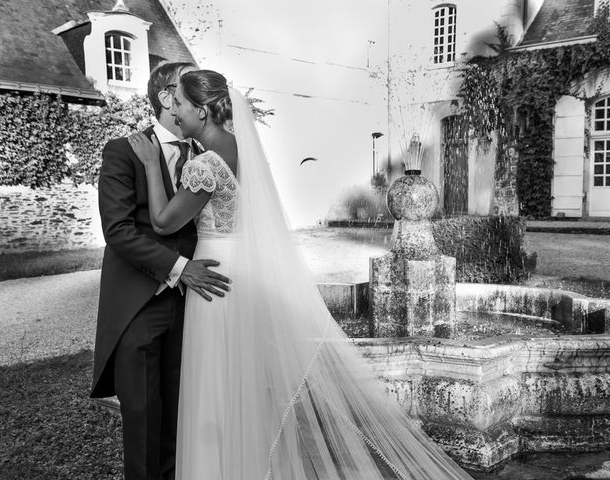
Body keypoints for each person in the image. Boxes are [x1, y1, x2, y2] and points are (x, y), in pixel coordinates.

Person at [128, 69, 473, 480]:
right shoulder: (242, 150)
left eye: (182, 103)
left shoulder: (205, 164)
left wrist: (151, 165)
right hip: (245, 277)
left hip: (213, 280)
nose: (176, 111)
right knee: (242, 384)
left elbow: (165, 223)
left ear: (202, 111)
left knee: (214, 385)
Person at [91, 62, 232, 480]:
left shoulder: (210, 153)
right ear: (169, 98)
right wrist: (179, 267)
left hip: (196, 306)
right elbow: (117, 231)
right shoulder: (123, 150)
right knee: (144, 421)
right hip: (141, 302)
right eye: (184, 84)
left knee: (183, 414)